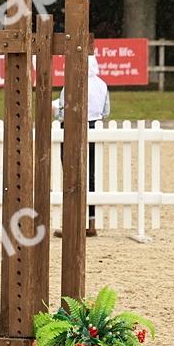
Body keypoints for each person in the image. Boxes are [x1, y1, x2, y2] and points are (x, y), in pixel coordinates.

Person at [53, 55, 110, 237]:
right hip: (94, 128)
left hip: (72, 129)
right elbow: (106, 112)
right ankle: (91, 222)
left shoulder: (70, 83)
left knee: (71, 174)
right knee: (90, 175)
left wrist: (55, 112)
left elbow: (62, 113)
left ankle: (72, 222)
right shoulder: (102, 85)